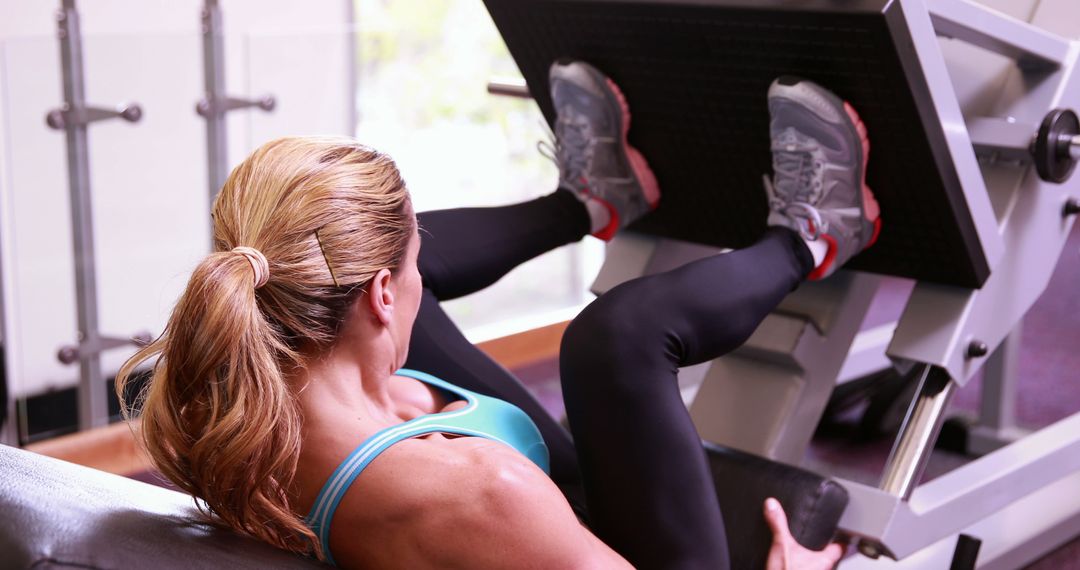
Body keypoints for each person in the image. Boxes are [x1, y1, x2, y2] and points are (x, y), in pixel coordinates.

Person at [117, 60, 878, 569]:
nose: (422, 271)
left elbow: (379, 278)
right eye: (409, 267)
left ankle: (593, 200)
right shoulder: (482, 490)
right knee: (619, 338)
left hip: (474, 489)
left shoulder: (220, 393)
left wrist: (404, 253)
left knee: (417, 269)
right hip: (576, 540)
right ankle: (814, 237)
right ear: (383, 295)